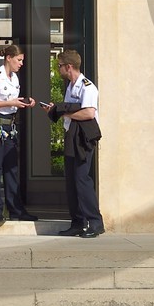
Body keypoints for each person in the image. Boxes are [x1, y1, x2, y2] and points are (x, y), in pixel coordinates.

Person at [44, 49, 102, 237]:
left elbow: (88, 113)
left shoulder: (88, 87)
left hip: (83, 138)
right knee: (71, 181)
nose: (58, 69)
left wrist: (62, 111)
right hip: (72, 135)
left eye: (59, 66)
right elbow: (70, 111)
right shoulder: (70, 86)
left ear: (68, 67)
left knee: (82, 179)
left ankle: (95, 222)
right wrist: (56, 111)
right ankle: (77, 222)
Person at [0, 43, 38, 227]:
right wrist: (10, 103)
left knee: (12, 170)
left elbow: (12, 102)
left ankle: (16, 210)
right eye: (19, 60)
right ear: (9, 58)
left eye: (22, 60)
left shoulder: (15, 78)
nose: (21, 64)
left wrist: (24, 102)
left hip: (10, 126)